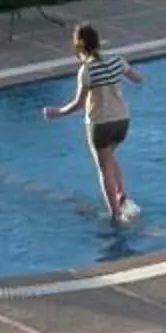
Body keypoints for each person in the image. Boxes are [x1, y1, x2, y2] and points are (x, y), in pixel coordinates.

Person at [43, 22, 144, 222]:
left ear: (79, 48)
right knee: (110, 156)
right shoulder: (116, 60)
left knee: (103, 168)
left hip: (100, 124)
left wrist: (58, 112)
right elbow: (138, 79)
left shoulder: (86, 71)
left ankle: (115, 214)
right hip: (122, 121)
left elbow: (79, 104)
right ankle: (121, 194)